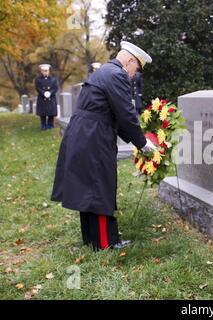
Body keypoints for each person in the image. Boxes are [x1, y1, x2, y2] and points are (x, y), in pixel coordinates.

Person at [51, 41, 157, 251]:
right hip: (94, 136)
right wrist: (143, 143)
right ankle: (105, 242)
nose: (135, 75)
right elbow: (126, 115)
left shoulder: (105, 71)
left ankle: (92, 239)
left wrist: (137, 140)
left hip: (85, 132)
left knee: (88, 187)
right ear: (129, 61)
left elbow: (114, 113)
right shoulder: (117, 75)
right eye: (136, 68)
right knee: (99, 188)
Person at [35, 64, 59, 130]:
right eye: (44, 71)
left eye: (47, 71)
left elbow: (56, 88)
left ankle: (50, 125)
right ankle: (43, 125)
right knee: (43, 113)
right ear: (41, 71)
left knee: (51, 112)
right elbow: (37, 87)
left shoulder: (53, 79)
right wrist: (43, 93)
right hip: (42, 98)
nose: (45, 72)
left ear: (49, 71)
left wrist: (50, 93)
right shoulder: (38, 79)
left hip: (51, 98)